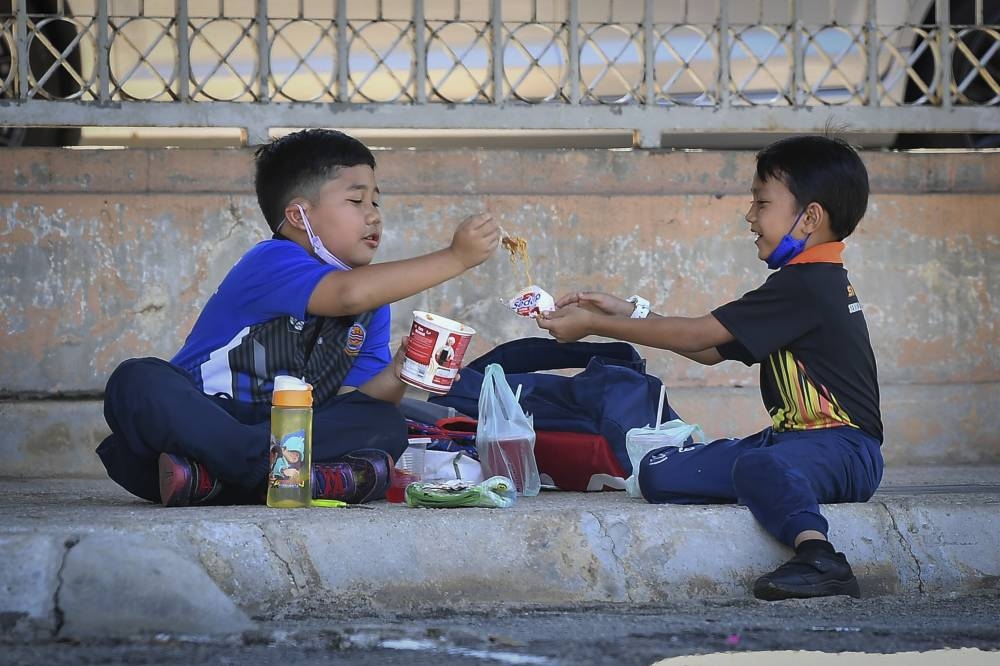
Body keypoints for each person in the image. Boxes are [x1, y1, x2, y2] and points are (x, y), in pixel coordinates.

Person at [536, 135, 882, 601]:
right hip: (792, 444)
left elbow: (699, 335)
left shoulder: (808, 285)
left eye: (761, 203)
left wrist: (597, 324)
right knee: (659, 474)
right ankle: (770, 481)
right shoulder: (800, 284)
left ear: (811, 217)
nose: (750, 217)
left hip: (845, 448)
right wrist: (628, 312)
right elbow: (710, 350)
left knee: (760, 463)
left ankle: (820, 556)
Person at [97, 128, 499, 507]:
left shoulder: (372, 303)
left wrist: (398, 371)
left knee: (385, 423)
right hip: (211, 420)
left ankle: (219, 479)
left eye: (376, 202)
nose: (374, 215)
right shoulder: (271, 260)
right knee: (136, 380)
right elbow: (345, 294)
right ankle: (280, 474)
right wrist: (455, 258)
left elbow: (354, 401)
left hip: (292, 435)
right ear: (297, 216)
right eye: (356, 201)